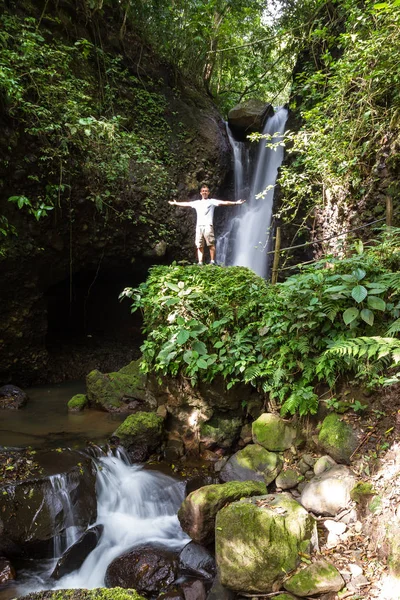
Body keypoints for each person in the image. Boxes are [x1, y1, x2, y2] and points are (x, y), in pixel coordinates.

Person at [169, 184, 246, 265]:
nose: (204, 192)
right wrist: (175, 203)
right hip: (199, 226)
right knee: (199, 245)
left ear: (208, 193)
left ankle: (212, 261)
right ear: (200, 193)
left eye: (206, 191)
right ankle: (200, 262)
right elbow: (186, 204)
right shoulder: (196, 203)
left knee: (210, 243)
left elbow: (224, 202)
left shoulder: (212, 201)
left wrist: (236, 203)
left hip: (208, 225)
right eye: (203, 191)